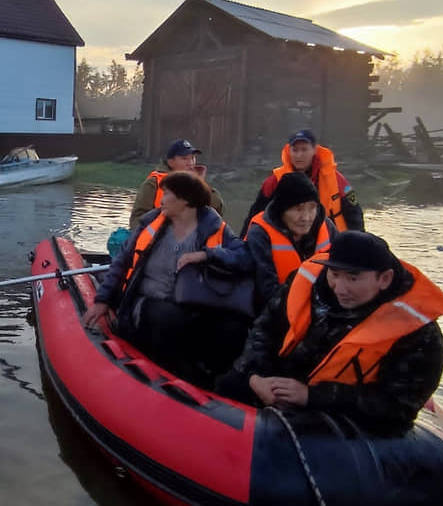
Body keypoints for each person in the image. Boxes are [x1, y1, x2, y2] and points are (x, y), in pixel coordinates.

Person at [215, 231, 443, 435]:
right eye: (335, 275)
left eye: (353, 278)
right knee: (229, 381)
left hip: (340, 412)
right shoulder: (305, 284)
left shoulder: (418, 333)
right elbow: (264, 330)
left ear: (385, 278)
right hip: (277, 382)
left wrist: (311, 396)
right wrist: (256, 377)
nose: (340, 288)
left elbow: (398, 405)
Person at [84, 171, 249, 386]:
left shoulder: (214, 227)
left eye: (167, 194)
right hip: (145, 303)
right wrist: (102, 300)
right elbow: (121, 262)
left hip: (194, 305)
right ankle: (179, 377)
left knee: (232, 327)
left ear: (185, 200)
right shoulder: (152, 223)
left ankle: (218, 382)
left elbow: (244, 257)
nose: (161, 199)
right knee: (169, 317)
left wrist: (208, 254)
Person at [243, 172, 337, 314]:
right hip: (274, 312)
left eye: (312, 208)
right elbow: (267, 291)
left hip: (321, 307)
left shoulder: (326, 226)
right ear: (282, 210)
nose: (306, 217)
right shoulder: (260, 233)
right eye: (298, 209)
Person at [239, 130, 363, 236]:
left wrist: (360, 241)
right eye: (295, 150)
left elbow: (354, 211)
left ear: (314, 150)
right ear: (289, 151)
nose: (299, 155)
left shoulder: (337, 179)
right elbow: (255, 214)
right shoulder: (274, 181)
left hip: (332, 240)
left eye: (304, 150)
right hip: (291, 239)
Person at [128, 139, 224, 229]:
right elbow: (136, 219)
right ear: (171, 161)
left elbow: (218, 209)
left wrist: (199, 185)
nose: (190, 163)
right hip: (159, 240)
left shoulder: (197, 182)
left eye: (193, 158)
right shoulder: (153, 183)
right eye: (184, 158)